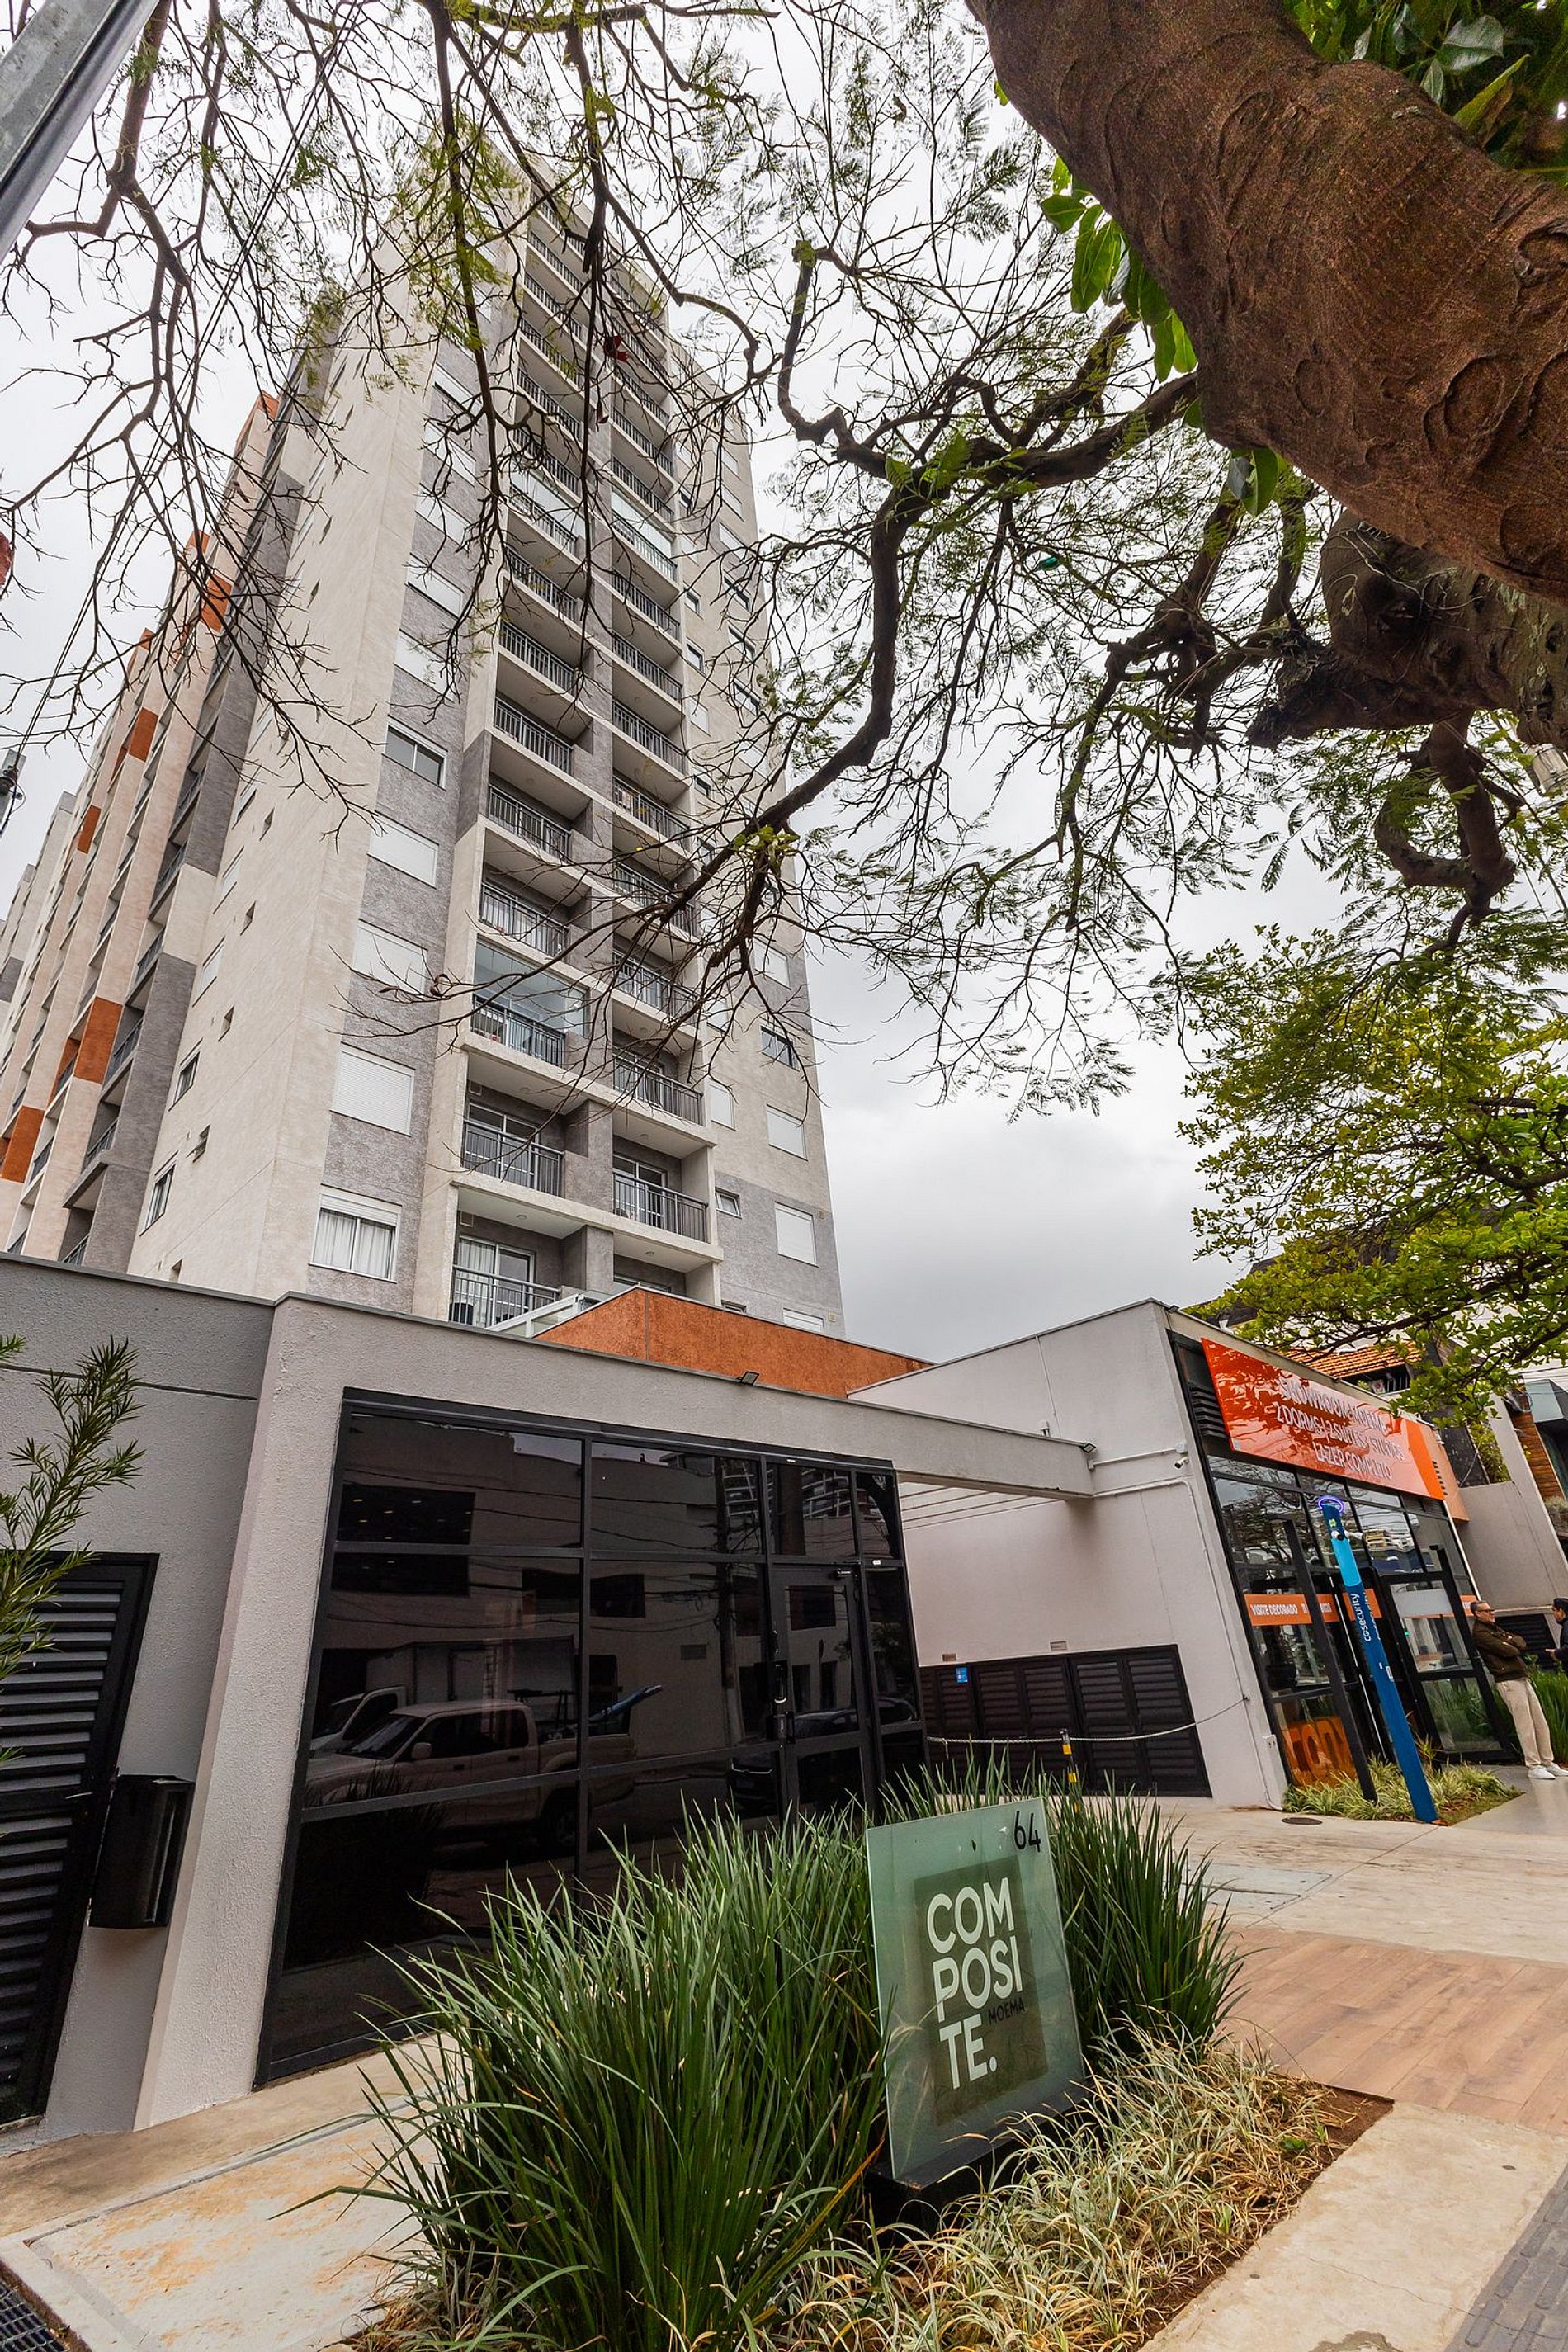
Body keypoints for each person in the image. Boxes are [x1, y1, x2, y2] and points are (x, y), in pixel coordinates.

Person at [1470, 1601, 1562, 1780]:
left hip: (1521, 1676)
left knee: (1539, 1721)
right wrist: (1509, 1642)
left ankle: (1548, 1761)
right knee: (1524, 1723)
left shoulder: (1495, 1629)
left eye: (1492, 1609)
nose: (1491, 1613)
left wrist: (1510, 1641)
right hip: (1508, 1680)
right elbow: (1509, 1651)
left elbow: (1520, 1642)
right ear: (1477, 1614)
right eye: (1487, 1611)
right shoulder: (1481, 1633)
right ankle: (1533, 1765)